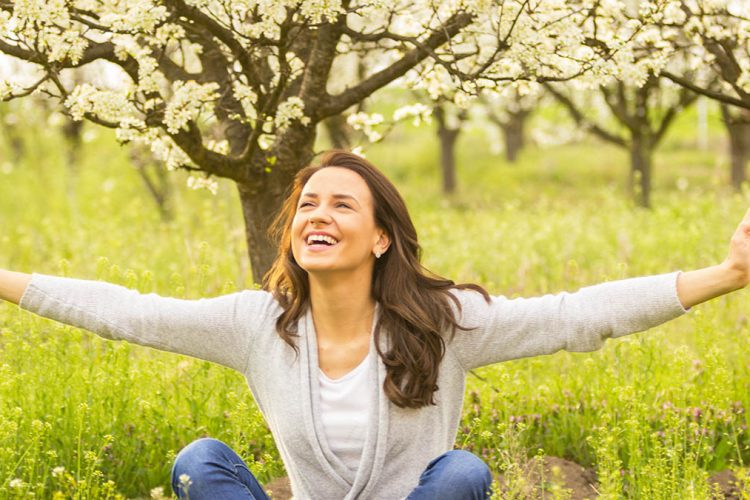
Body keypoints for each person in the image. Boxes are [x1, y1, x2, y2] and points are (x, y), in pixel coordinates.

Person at [0, 150, 748, 500]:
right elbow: (129, 312)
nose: (317, 215)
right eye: (308, 204)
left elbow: (576, 315)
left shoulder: (444, 324)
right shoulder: (256, 324)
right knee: (203, 460)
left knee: (461, 474)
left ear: (381, 237)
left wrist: (727, 276)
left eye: (341, 205)